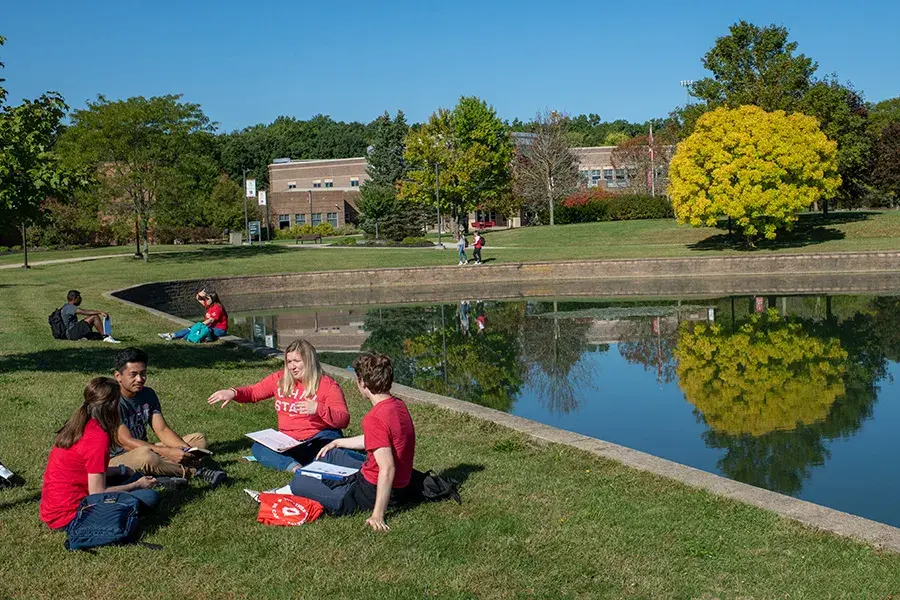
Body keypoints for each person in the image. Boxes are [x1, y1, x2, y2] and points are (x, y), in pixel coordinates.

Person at [289, 352, 416, 532]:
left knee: (298, 482)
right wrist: (338, 442)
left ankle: (332, 488)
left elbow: (387, 468)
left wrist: (377, 514)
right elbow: (379, 439)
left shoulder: (374, 418)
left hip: (366, 493)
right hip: (392, 482)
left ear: (362, 383)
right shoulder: (397, 405)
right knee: (332, 453)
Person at [207, 339, 350, 472]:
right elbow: (254, 392)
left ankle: (319, 460)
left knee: (327, 450)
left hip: (318, 437)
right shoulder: (279, 379)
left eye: (297, 361)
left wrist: (318, 408)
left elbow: (343, 420)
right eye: (289, 361)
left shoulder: (328, 385)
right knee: (258, 448)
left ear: (309, 361)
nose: (292, 366)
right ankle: (295, 468)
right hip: (289, 441)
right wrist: (233, 393)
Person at [40, 377, 159, 531]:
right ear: (113, 406)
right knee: (150, 497)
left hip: (53, 507)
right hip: (71, 516)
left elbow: (87, 469)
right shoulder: (98, 439)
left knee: (127, 477)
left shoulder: (79, 424)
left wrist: (121, 470)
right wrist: (137, 485)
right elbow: (97, 494)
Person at [109, 348, 226, 486]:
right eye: (133, 375)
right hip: (116, 459)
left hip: (146, 448)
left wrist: (185, 450)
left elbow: (162, 430)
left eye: (143, 373)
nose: (140, 379)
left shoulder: (148, 394)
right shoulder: (111, 401)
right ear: (118, 376)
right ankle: (196, 471)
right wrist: (168, 452)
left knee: (198, 439)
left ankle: (161, 474)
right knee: (146, 456)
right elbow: (126, 442)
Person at [159, 289, 228, 342]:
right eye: (205, 298)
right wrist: (199, 294)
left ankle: (175, 336)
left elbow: (211, 320)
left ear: (213, 300)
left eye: (207, 298)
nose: (205, 300)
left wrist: (199, 325)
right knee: (192, 329)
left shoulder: (217, 307)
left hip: (219, 330)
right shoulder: (210, 304)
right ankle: (174, 336)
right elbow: (198, 299)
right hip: (210, 327)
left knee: (195, 328)